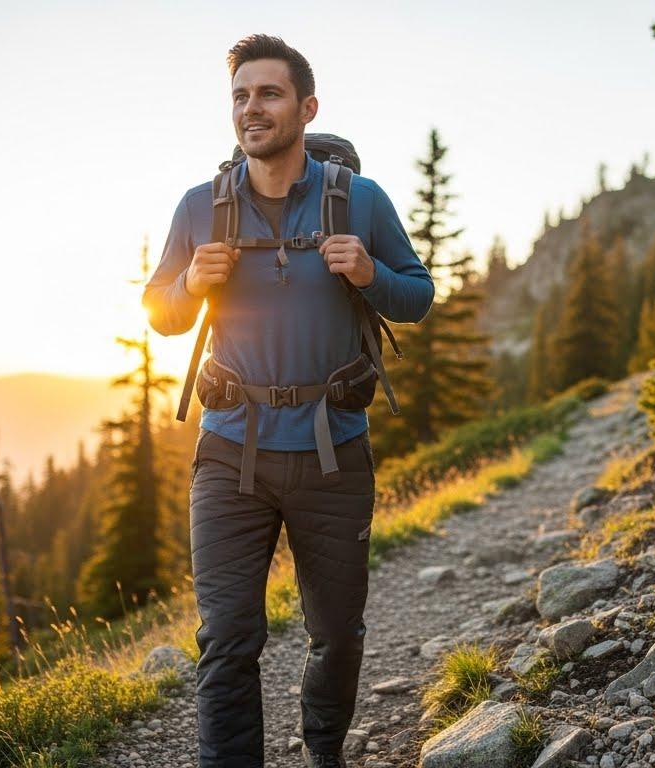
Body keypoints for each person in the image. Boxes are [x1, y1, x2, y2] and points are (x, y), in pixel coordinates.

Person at [141, 33, 435, 768]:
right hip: (229, 453)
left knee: (336, 632)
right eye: (239, 96)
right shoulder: (197, 207)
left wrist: (369, 272)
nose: (251, 108)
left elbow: (418, 297)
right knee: (226, 637)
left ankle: (323, 752)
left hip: (332, 452)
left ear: (306, 107)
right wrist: (189, 286)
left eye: (267, 94)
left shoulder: (359, 201)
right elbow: (160, 312)